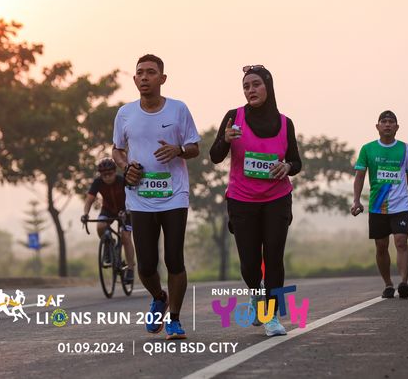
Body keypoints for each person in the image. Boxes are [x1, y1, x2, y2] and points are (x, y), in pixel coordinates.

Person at [112, 54, 201, 340]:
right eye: (140, 73)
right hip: (140, 198)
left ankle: (174, 319)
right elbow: (117, 149)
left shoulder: (178, 109)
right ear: (134, 79)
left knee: (174, 259)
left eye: (151, 72)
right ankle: (159, 297)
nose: (145, 77)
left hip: (174, 195)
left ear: (162, 78)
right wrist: (126, 167)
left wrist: (178, 150)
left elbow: (194, 147)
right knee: (147, 265)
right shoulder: (125, 113)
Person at [209, 65, 302, 337]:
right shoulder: (234, 117)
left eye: (256, 84)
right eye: (246, 86)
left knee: (273, 258)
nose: (251, 90)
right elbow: (215, 156)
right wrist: (225, 140)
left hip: (277, 199)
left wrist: (287, 166)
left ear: (268, 87)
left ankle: (270, 316)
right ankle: (255, 291)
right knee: (250, 264)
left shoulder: (285, 123)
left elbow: (296, 161)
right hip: (242, 200)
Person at [351, 110, 408, 299]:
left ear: (397, 127)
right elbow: (359, 176)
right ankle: (388, 284)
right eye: (384, 121)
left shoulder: (406, 149)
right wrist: (356, 200)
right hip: (377, 206)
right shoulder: (368, 149)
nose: (388, 124)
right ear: (377, 126)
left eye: (391, 122)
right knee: (381, 246)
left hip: (401, 205)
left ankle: (404, 283)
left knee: (401, 242)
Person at [81, 158, 135, 283]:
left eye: (110, 174)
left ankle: (130, 269)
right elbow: (89, 200)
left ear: (115, 172)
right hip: (108, 210)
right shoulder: (98, 182)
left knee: (126, 236)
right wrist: (85, 214)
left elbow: (132, 197)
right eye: (104, 175)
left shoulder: (123, 180)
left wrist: (127, 210)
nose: (107, 177)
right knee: (100, 226)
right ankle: (108, 244)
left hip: (126, 211)